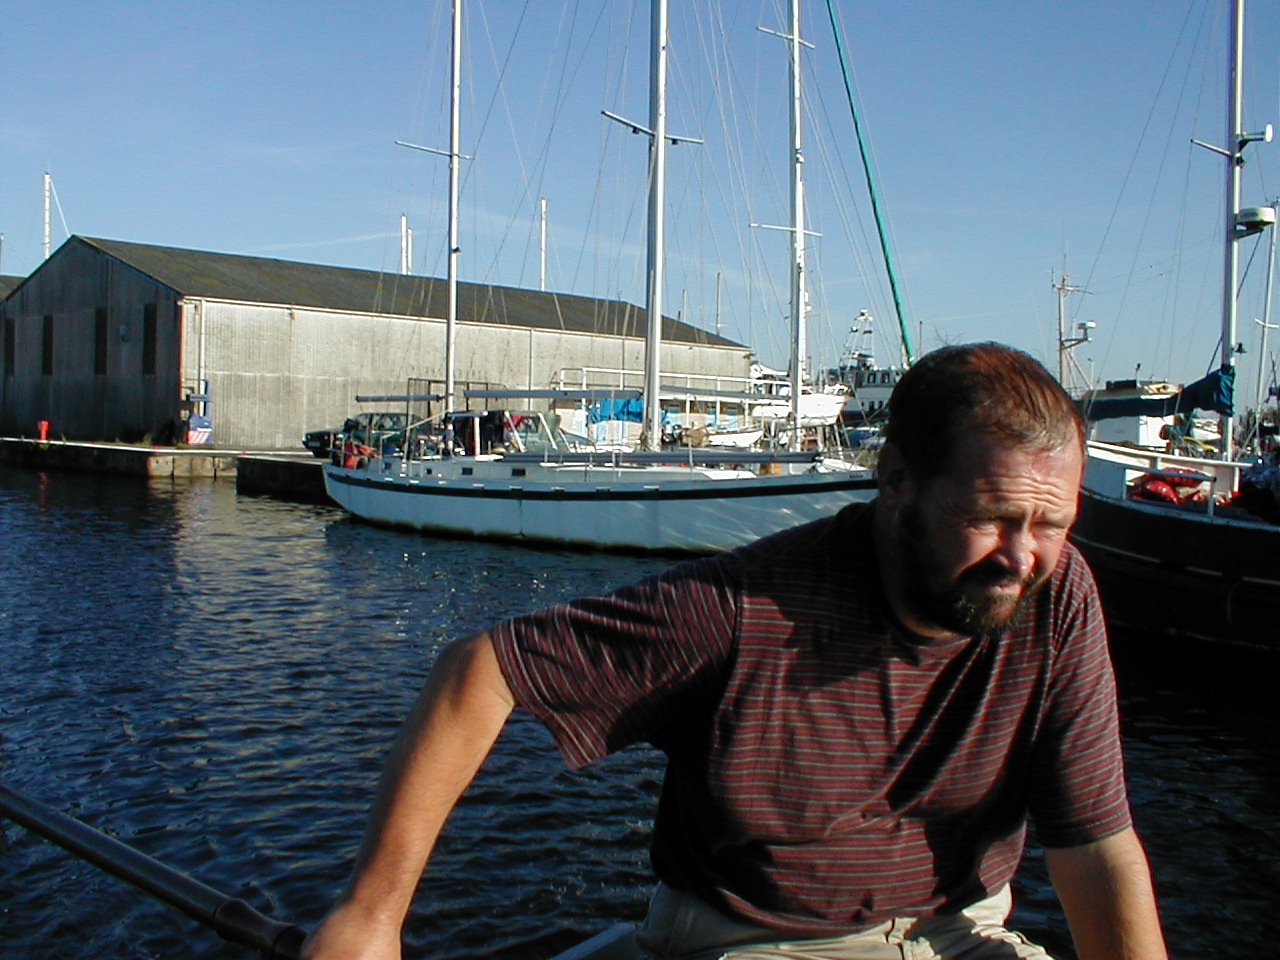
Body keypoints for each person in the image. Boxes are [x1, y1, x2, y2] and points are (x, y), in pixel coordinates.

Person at [302, 342, 1168, 960]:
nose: (1024, 556)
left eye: (1052, 524)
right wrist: (370, 918)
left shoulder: (1058, 598)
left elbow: (1094, 845)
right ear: (897, 478)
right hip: (764, 944)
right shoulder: (743, 609)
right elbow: (482, 671)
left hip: (965, 936)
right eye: (993, 516)